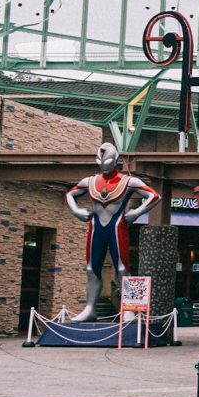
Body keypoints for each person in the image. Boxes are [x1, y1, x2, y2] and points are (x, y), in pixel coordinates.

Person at [64, 136, 160, 320]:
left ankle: (129, 310)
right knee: (92, 269)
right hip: (96, 227)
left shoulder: (128, 181)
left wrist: (137, 212)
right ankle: (90, 308)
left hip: (118, 226)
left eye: (107, 161)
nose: (103, 165)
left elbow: (155, 196)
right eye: (100, 162)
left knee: (123, 269)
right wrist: (76, 210)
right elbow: (70, 194)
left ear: (116, 161)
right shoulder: (90, 181)